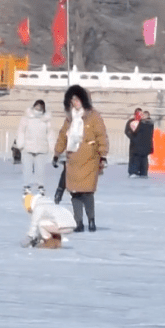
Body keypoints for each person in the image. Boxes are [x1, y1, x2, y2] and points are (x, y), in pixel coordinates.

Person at [53, 85, 108, 233]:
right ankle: (78, 222)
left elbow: (101, 136)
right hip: (73, 158)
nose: (75, 103)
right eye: (73, 100)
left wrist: (103, 155)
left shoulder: (94, 116)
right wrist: (57, 153)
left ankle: (91, 220)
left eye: (77, 100)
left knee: (87, 192)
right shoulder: (69, 118)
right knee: (75, 191)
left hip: (89, 158)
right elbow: (62, 136)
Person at [14, 99, 55, 197]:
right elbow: (21, 132)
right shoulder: (26, 118)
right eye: (37, 106)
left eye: (40, 106)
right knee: (27, 168)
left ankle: (40, 187)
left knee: (40, 169)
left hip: (41, 148)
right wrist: (20, 144)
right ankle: (27, 187)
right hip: (28, 148)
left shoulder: (46, 120)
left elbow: (50, 135)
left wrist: (53, 148)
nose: (38, 108)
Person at [125, 107, 154, 178]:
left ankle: (139, 172)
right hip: (136, 145)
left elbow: (148, 135)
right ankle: (137, 172)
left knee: (140, 159)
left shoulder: (146, 123)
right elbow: (128, 131)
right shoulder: (133, 121)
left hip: (142, 145)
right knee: (136, 159)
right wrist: (133, 138)